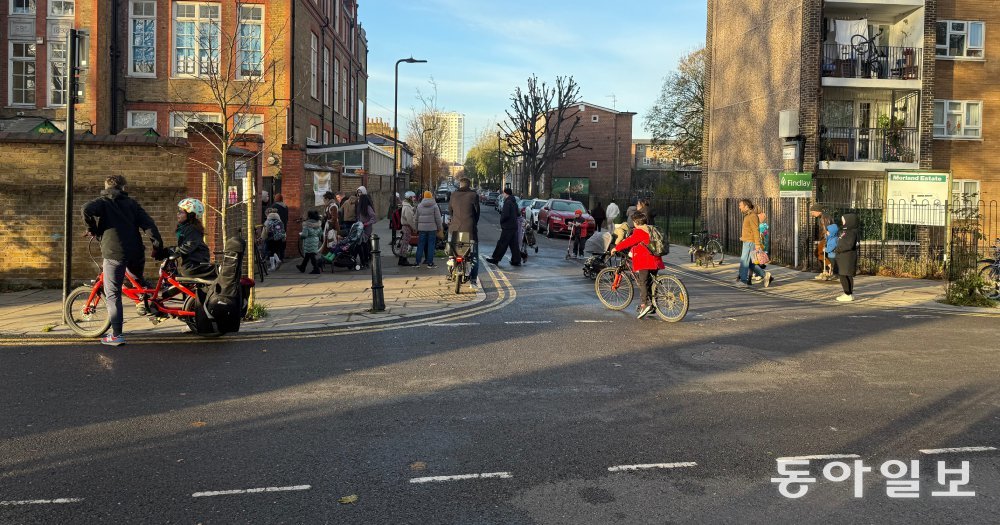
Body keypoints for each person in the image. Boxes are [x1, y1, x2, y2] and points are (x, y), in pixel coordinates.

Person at [81, 174, 164, 346]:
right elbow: (149, 224)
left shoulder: (103, 202)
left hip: (114, 253)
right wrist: (157, 246)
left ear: (106, 186)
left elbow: (85, 209)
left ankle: (116, 335)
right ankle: (147, 305)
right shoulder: (132, 204)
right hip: (136, 252)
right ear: (123, 188)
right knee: (138, 282)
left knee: (112, 294)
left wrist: (93, 229)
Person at [610, 211, 664, 319]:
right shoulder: (651, 228)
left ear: (636, 222)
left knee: (642, 282)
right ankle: (652, 305)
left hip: (645, 261)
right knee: (649, 283)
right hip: (656, 259)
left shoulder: (639, 231)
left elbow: (629, 241)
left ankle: (645, 305)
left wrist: (616, 247)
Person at [448, 178, 482, 288]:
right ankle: (473, 281)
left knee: (453, 250)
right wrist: (473, 223)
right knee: (474, 257)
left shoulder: (453, 195)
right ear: (469, 185)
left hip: (455, 229)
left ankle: (451, 261)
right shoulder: (474, 195)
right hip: (469, 229)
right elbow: (477, 213)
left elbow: (450, 211)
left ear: (460, 185)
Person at [172, 198, 211, 277]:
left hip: (196, 264)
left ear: (190, 215)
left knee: (185, 273)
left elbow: (188, 246)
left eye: (180, 212)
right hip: (190, 263)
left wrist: (170, 250)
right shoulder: (185, 228)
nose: (177, 214)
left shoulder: (193, 229)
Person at [738, 199, 772, 288]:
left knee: (744, 261)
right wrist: (743, 237)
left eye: (740, 205)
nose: (739, 207)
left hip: (750, 242)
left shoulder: (752, 216)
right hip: (747, 241)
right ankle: (765, 275)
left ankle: (743, 281)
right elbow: (749, 230)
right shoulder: (748, 216)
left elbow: (756, 230)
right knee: (750, 264)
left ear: (746, 206)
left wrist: (757, 244)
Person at [485, 188, 522, 266]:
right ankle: (516, 260)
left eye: (503, 193)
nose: (503, 195)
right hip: (513, 226)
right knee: (513, 244)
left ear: (506, 193)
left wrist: (502, 221)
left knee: (502, 243)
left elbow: (505, 215)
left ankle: (496, 259)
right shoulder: (514, 202)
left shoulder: (507, 202)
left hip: (507, 226)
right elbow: (518, 213)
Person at [833, 213, 860, 302]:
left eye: (844, 219)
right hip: (843, 257)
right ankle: (848, 293)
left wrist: (838, 249)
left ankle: (847, 293)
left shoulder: (851, 232)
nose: (842, 221)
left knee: (844, 275)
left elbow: (848, 244)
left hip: (846, 257)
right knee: (845, 275)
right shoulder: (846, 231)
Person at [414, 190, 442, 268]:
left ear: (424, 196)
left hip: (422, 229)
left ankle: (417, 262)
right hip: (432, 229)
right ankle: (430, 263)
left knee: (420, 245)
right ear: (431, 196)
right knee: (431, 245)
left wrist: (416, 228)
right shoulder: (434, 205)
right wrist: (439, 228)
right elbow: (438, 218)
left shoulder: (419, 206)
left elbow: (416, 218)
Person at [810, 203, 834, 280]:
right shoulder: (823, 217)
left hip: (826, 238)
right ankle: (826, 271)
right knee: (820, 253)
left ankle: (829, 267)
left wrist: (826, 240)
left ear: (817, 211)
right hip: (825, 238)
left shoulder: (824, 218)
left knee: (818, 253)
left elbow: (827, 230)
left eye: (813, 212)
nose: (812, 214)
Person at [356, 186, 377, 269]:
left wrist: (367, 223)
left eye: (360, 193)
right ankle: (364, 260)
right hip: (361, 227)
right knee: (362, 244)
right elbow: (358, 216)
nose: (359, 195)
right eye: (358, 193)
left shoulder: (367, 207)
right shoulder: (360, 207)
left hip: (366, 228)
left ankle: (365, 261)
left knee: (363, 244)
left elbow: (374, 218)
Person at [297, 210, 322, 274]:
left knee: (311, 256)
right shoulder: (318, 224)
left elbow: (304, 235)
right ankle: (302, 267)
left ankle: (316, 269)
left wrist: (301, 235)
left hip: (309, 241)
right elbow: (320, 234)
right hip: (315, 241)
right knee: (309, 255)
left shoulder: (307, 225)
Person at [397, 191, 417, 266]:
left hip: (405, 226)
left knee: (404, 243)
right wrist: (414, 228)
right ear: (410, 197)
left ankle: (401, 259)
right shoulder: (407, 207)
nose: (414, 199)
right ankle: (403, 259)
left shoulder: (407, 206)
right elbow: (410, 219)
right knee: (405, 243)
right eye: (413, 197)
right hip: (407, 227)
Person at [751, 211, 771, 283]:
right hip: (760, 245)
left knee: (758, 259)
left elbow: (761, 236)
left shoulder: (762, 226)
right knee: (756, 259)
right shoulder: (763, 225)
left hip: (760, 245)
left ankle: (758, 274)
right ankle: (756, 273)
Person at [272, 193, 289, 259]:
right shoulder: (286, 207)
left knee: (276, 242)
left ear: (276, 199)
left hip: (276, 227)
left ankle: (276, 257)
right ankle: (282, 256)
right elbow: (287, 218)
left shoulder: (274, 206)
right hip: (284, 226)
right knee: (283, 241)